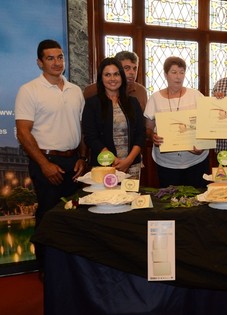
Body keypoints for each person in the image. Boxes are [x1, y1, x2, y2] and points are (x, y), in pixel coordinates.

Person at [15, 39, 88, 265]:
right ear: (40, 62)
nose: (57, 62)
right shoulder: (29, 90)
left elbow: (82, 129)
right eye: (50, 58)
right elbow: (23, 133)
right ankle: (46, 268)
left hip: (74, 162)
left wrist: (83, 158)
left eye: (60, 57)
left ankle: (71, 268)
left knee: (74, 216)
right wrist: (44, 164)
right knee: (48, 215)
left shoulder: (75, 90)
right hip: (45, 161)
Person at [144, 56, 209, 188]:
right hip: (167, 163)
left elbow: (207, 124)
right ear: (165, 74)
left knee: (198, 202)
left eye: (181, 72)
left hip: (196, 161)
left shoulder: (196, 95)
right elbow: (148, 128)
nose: (178, 77)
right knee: (171, 203)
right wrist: (152, 136)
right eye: (174, 72)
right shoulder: (155, 98)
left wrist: (202, 146)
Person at [82, 57, 145, 179]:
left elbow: (140, 134)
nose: (112, 79)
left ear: (121, 76)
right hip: (104, 166)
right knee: (105, 198)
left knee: (130, 197)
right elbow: (90, 137)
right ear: (101, 78)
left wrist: (129, 160)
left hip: (131, 165)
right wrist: (113, 159)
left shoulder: (133, 102)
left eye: (116, 74)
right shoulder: (92, 104)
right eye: (107, 75)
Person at [83, 51, 148, 112]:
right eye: (127, 68)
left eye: (135, 69)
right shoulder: (91, 90)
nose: (132, 72)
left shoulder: (141, 91)